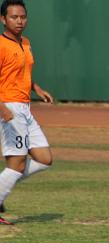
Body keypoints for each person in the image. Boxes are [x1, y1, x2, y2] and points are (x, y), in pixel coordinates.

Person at [0, 0, 53, 225]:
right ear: (3, 19)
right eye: (14, 17)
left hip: (25, 108)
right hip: (9, 107)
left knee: (44, 159)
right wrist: (2, 108)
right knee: (17, 164)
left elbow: (23, 72)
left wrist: (37, 89)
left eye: (22, 17)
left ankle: (3, 185)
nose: (19, 21)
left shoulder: (26, 43)